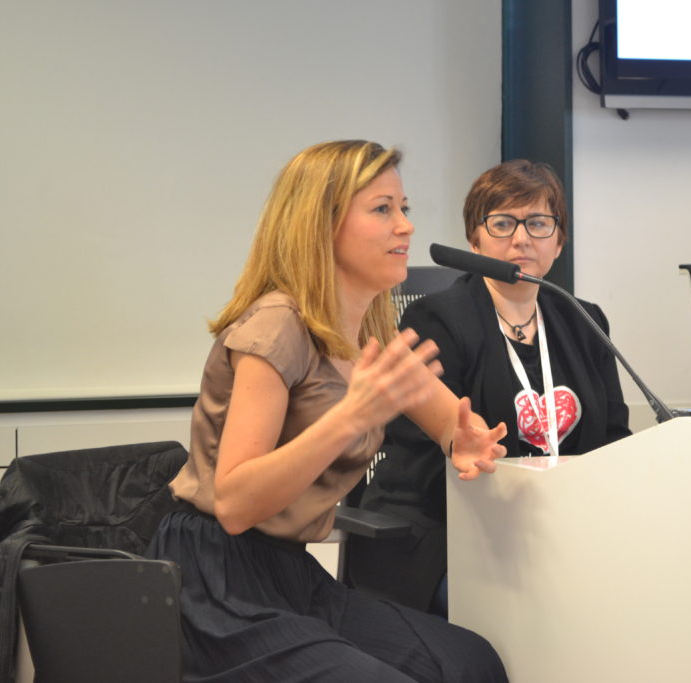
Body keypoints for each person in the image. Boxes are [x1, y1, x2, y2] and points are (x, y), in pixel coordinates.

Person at [145, 140, 510, 682]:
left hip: (291, 572)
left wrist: (467, 440)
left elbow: (448, 422)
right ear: (322, 226)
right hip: (215, 580)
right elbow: (236, 503)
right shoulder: (277, 326)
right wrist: (351, 418)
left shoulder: (368, 331)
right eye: (383, 209)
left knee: (471, 663)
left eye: (404, 208)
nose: (406, 226)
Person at [351, 159, 631, 617]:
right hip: (454, 540)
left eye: (539, 223)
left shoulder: (584, 321)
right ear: (474, 239)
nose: (521, 239)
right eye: (502, 223)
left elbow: (614, 441)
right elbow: (434, 459)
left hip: (560, 537)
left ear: (559, 242)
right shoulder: (436, 319)